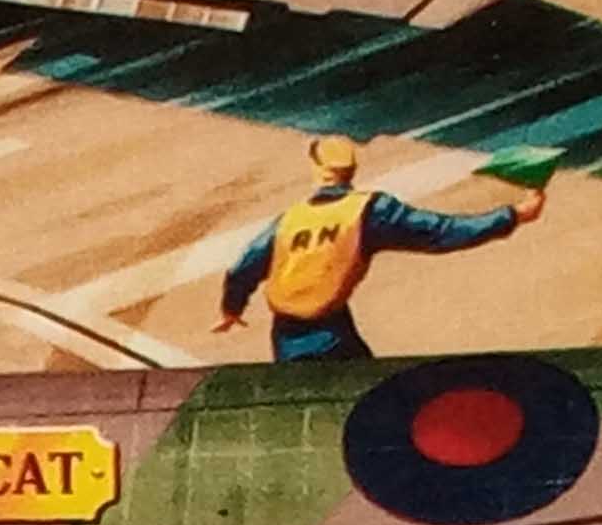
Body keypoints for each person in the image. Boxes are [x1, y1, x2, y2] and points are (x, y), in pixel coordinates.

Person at [214, 135, 548, 364]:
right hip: (333, 330)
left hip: (287, 336)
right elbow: (442, 231)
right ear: (350, 172)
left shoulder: (289, 220)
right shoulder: (369, 211)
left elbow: (244, 267)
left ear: (316, 170)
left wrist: (232, 308)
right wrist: (513, 215)